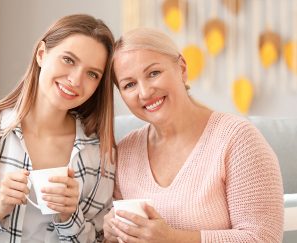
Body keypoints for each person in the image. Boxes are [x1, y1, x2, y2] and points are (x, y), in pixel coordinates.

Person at [0, 14, 116, 242]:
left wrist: (70, 216)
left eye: (92, 74)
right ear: (42, 54)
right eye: (69, 60)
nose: (76, 80)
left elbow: (101, 239)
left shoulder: (99, 154)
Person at [103, 28, 284, 243]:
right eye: (129, 84)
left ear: (181, 68)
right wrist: (110, 235)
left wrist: (172, 238)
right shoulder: (125, 152)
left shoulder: (238, 140)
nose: (144, 92)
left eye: (153, 73)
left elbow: (262, 238)